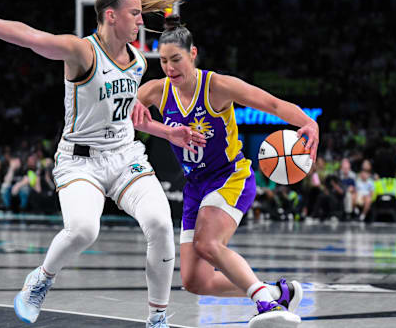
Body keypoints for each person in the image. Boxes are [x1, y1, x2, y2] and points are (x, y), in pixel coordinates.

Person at [0, 0, 195, 327]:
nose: (141, 20)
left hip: (125, 157)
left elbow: (129, 117)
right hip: (80, 161)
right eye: (134, 13)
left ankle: (157, 318)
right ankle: (40, 280)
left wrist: (168, 132)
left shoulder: (138, 62)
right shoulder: (81, 51)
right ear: (111, 15)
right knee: (85, 230)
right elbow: (31, 38)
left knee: (161, 225)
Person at [134, 18, 319, 327]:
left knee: (208, 243)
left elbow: (270, 103)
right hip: (196, 186)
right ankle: (277, 292)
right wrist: (164, 131)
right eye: (164, 61)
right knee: (195, 281)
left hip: (230, 177)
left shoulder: (217, 86)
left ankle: (265, 304)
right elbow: (123, 115)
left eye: (176, 59)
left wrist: (308, 122)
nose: (169, 67)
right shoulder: (155, 91)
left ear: (193, 53)